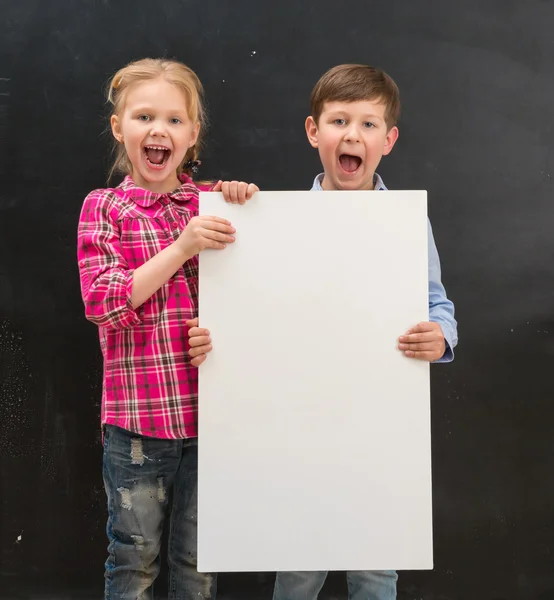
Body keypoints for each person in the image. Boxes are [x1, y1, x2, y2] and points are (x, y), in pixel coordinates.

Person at [187, 63, 458, 600]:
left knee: (376, 570)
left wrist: (442, 336)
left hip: (377, 430)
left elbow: (437, 303)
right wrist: (215, 338)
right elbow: (253, 311)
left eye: (368, 124)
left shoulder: (406, 224)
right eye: (338, 121)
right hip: (300, 428)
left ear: (389, 140)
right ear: (315, 132)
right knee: (299, 568)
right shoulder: (273, 221)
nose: (352, 135)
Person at [77, 57, 258, 600]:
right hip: (137, 424)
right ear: (119, 128)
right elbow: (104, 301)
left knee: (198, 564)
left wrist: (248, 203)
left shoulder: (210, 205)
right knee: (134, 562)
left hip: (211, 419)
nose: (159, 130)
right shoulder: (105, 208)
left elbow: (247, 301)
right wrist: (182, 249)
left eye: (175, 120)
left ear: (193, 134)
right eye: (143, 117)